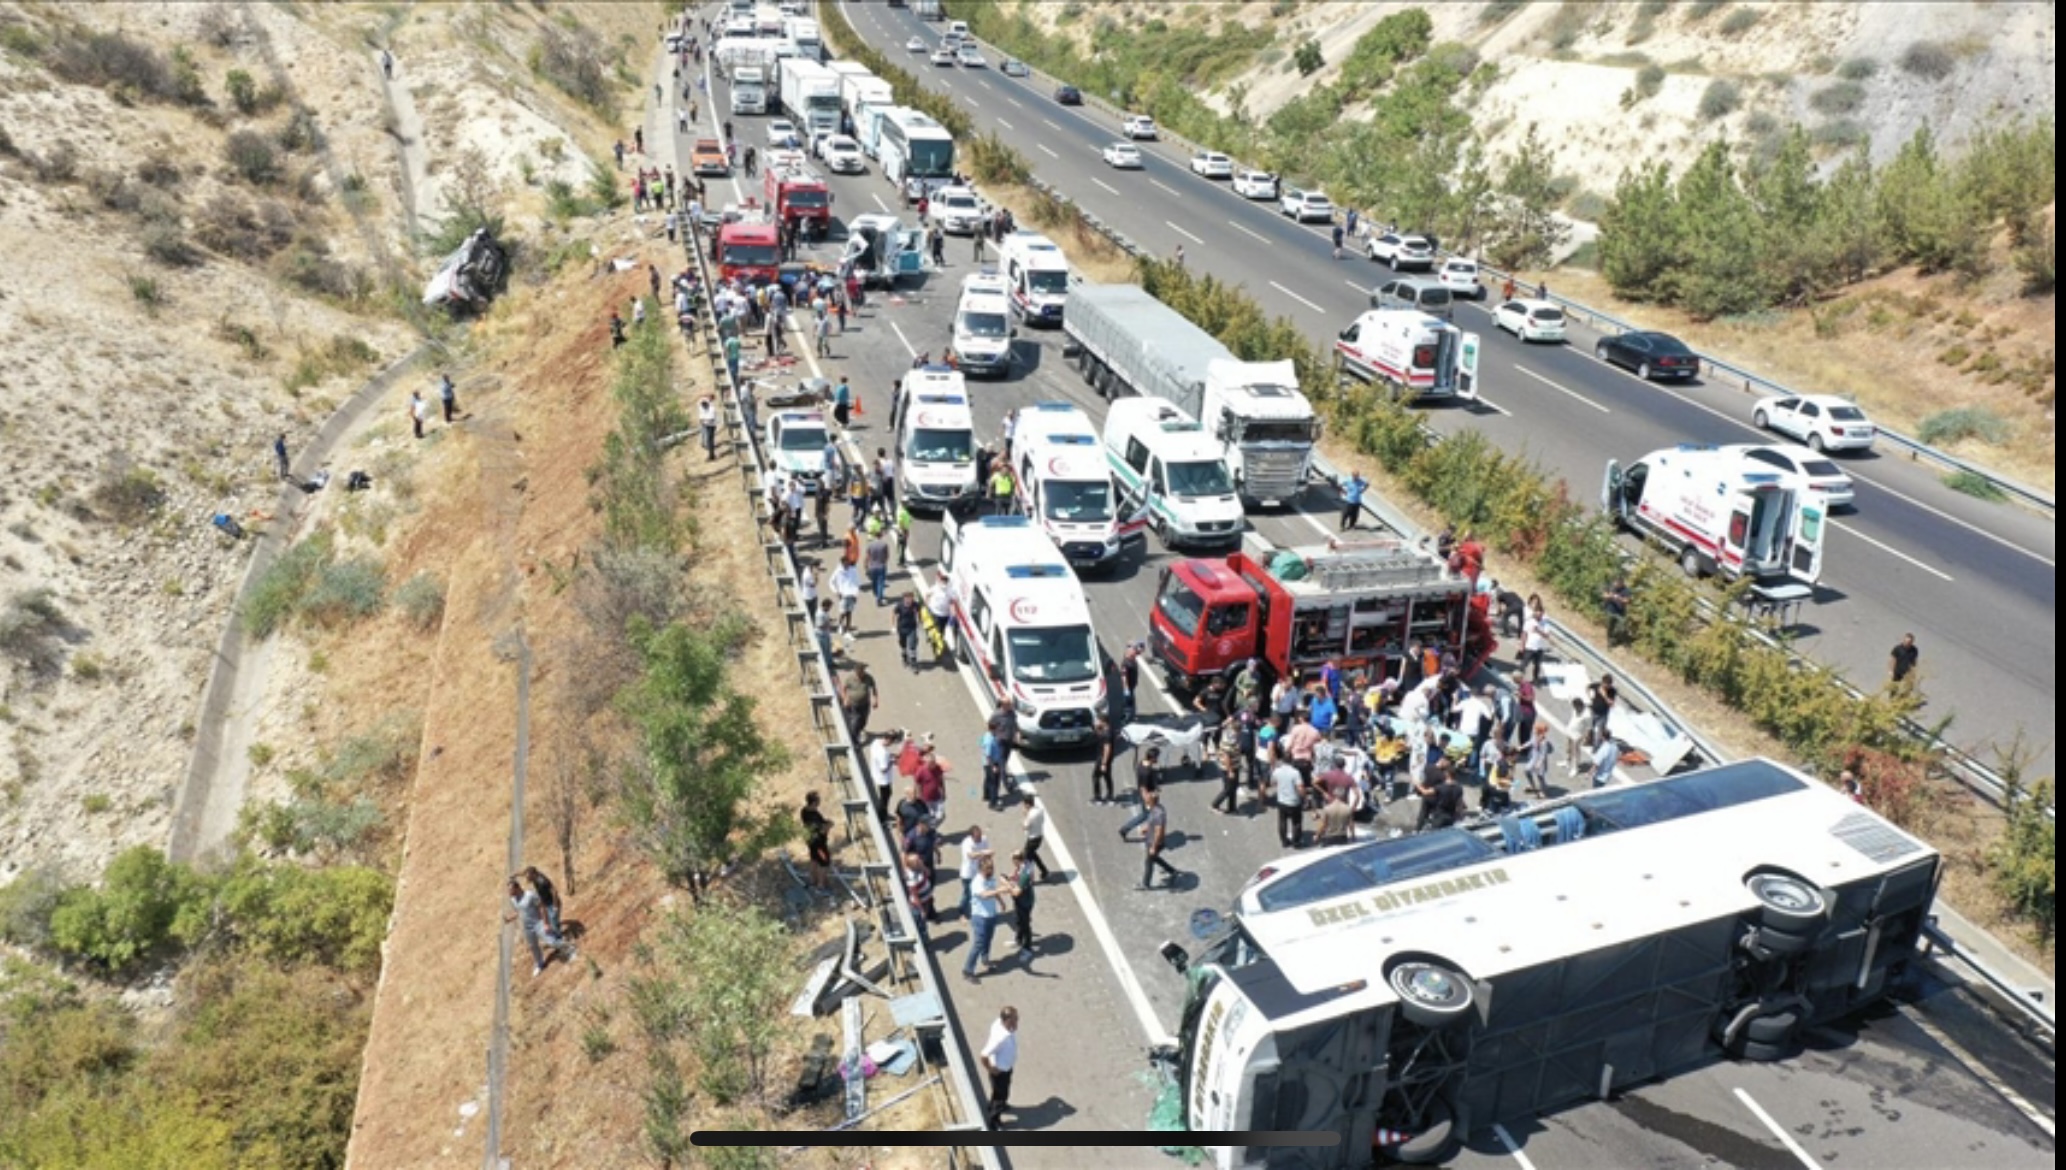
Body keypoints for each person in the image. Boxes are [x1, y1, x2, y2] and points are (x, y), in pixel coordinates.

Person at [504, 877, 562, 977]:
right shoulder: (513, 900)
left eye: (510, 889)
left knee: (550, 940)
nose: (509, 892)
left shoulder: (530, 895)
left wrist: (546, 923)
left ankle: (567, 948)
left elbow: (541, 907)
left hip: (538, 923)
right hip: (527, 927)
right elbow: (519, 912)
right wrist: (509, 919)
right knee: (533, 946)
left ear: (517, 888)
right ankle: (539, 964)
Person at [963, 854, 1005, 980]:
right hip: (980, 917)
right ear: (981, 869)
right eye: (988, 869)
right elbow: (985, 895)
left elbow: (994, 890)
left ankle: (985, 959)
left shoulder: (991, 879)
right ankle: (968, 970)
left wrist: (1001, 902)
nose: (991, 871)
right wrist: (1000, 891)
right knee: (978, 943)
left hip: (991, 915)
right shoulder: (977, 882)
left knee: (988, 939)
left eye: (992, 868)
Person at [980, 1007, 1019, 1129]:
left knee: (998, 1092)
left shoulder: (999, 1023)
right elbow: (984, 1055)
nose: (1018, 1020)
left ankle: (992, 1105)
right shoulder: (1001, 1038)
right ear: (1007, 1020)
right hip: (1000, 1072)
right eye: (1015, 1019)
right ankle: (993, 1120)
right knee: (1001, 1096)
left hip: (1005, 1068)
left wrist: (1013, 1028)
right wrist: (991, 1069)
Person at [1118, 746, 1163, 840]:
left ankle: (1140, 829)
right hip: (1148, 796)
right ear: (1152, 758)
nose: (1157, 759)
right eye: (1156, 757)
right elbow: (1143, 788)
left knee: (1147, 814)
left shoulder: (1142, 764)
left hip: (1148, 794)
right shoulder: (1146, 771)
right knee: (1149, 814)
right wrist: (1148, 800)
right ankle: (1127, 829)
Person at [1140, 787, 1178, 890]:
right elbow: (1153, 824)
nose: (1145, 800)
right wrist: (1147, 828)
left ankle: (1145, 883)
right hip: (1151, 840)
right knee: (1154, 858)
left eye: (1147, 799)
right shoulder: (1155, 809)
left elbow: (1158, 831)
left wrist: (1154, 846)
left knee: (1149, 861)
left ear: (1152, 801)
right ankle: (1172, 871)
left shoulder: (1158, 813)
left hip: (1155, 842)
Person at [1007, 848, 1038, 952]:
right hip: (1020, 900)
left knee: (1025, 924)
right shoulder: (1021, 866)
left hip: (1025, 902)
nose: (1012, 863)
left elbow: (1016, 892)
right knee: (1019, 921)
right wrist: (1012, 877)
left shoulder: (1025, 873)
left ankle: (1027, 947)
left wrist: (1006, 885)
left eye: (1013, 860)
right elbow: (1016, 875)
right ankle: (1018, 940)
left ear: (1017, 860)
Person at [1272, 754, 1305, 849]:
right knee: (1296, 822)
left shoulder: (1277, 771)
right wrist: (1304, 797)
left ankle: (1284, 841)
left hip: (1282, 801)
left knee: (1282, 821)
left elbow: (1273, 782)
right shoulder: (1295, 773)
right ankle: (1296, 842)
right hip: (1294, 802)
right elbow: (1300, 788)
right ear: (1292, 761)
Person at [801, 791, 833, 890]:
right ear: (814, 802)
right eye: (818, 800)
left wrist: (824, 822)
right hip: (819, 843)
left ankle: (812, 880)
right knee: (824, 862)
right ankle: (821, 884)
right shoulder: (814, 817)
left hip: (810, 840)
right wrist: (829, 825)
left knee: (814, 859)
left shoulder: (805, 810)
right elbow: (822, 831)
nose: (820, 801)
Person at [521, 865, 564, 936]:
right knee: (551, 922)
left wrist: (555, 907)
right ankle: (557, 936)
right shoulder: (536, 875)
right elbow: (524, 872)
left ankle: (559, 939)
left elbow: (554, 891)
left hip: (551, 905)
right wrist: (516, 875)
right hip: (546, 904)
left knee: (553, 923)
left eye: (528, 877)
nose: (527, 878)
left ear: (533, 874)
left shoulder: (542, 882)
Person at [1019, 792, 1051, 882]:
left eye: (1024, 804)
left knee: (1027, 860)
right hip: (1039, 836)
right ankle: (1044, 871)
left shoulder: (1031, 814)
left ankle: (1029, 878)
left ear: (1028, 804)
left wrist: (1024, 815)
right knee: (1033, 855)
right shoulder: (1040, 810)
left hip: (1032, 839)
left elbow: (1025, 826)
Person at [841, 663, 877, 738]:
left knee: (863, 721)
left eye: (862, 672)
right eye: (859, 672)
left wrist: (875, 699)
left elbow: (874, 688)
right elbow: (844, 689)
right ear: (856, 672)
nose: (860, 674)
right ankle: (854, 739)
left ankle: (858, 731)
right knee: (855, 721)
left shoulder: (868, 678)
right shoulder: (850, 679)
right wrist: (845, 699)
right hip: (854, 704)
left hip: (865, 704)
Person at [903, 849, 937, 929]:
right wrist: (921, 910)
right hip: (918, 905)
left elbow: (928, 873)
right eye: (918, 861)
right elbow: (915, 896)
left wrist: (923, 867)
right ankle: (923, 939)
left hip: (926, 900)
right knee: (920, 925)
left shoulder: (919, 868)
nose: (921, 861)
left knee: (923, 922)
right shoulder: (911, 878)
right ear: (913, 865)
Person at [1089, 713, 1119, 803]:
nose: (1097, 722)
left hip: (1103, 758)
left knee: (1095, 776)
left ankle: (1098, 796)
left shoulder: (1107, 734)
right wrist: (1096, 728)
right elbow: (1098, 735)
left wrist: (1103, 763)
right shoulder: (1107, 730)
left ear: (1103, 722)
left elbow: (1107, 749)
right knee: (1107, 776)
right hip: (1105, 757)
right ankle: (1110, 795)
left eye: (1098, 721)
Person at [894, 590, 923, 670]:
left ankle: (914, 664)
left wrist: (920, 621)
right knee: (903, 645)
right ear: (904, 598)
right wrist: (893, 626)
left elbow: (918, 612)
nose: (910, 600)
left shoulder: (915, 605)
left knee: (912, 646)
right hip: (902, 628)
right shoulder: (899, 606)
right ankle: (904, 658)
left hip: (912, 628)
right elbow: (894, 614)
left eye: (911, 598)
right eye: (908, 598)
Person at [1524, 719, 1554, 798]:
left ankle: (1543, 791)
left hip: (1540, 762)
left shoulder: (1544, 742)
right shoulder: (1534, 736)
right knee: (1527, 771)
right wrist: (1522, 746)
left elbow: (1543, 755)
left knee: (1540, 776)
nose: (1534, 730)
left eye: (1536, 729)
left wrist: (1539, 763)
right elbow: (1530, 742)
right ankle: (1533, 786)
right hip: (1533, 758)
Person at [1601, 577, 1631, 648]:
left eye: (1618, 584)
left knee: (1622, 627)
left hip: (1620, 612)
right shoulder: (1610, 587)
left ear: (1621, 583)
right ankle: (1610, 641)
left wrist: (1619, 598)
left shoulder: (1626, 590)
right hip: (1611, 610)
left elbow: (1627, 600)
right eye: (1615, 583)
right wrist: (1611, 596)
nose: (1616, 585)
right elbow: (1604, 595)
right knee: (1610, 627)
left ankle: (1620, 639)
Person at [698, 396, 718, 460]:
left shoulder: (711, 408)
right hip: (706, 425)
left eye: (704, 404)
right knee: (709, 440)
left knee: (710, 440)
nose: (703, 406)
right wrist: (704, 421)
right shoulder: (704, 409)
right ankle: (711, 454)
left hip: (711, 426)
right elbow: (701, 419)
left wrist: (704, 420)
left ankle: (711, 455)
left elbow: (711, 419)